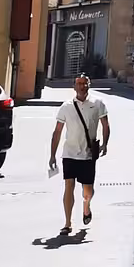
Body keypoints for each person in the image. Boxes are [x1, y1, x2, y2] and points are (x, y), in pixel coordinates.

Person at [48, 72, 109, 236]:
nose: (82, 86)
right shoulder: (66, 106)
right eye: (79, 83)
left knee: (87, 191)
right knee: (69, 186)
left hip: (88, 154)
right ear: (74, 87)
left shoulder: (98, 104)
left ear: (89, 85)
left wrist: (105, 144)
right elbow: (57, 132)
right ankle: (67, 223)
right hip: (69, 153)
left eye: (84, 83)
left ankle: (86, 205)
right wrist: (52, 155)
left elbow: (105, 125)